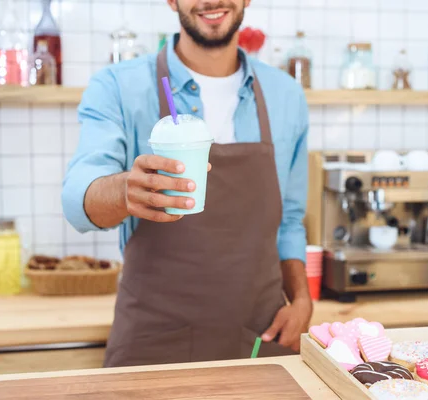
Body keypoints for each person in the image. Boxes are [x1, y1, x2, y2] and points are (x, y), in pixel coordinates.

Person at [62, 0, 311, 367]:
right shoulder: (118, 86)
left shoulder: (286, 95)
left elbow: (289, 218)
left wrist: (302, 299)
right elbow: (76, 201)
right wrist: (124, 190)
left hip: (261, 343)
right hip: (153, 348)